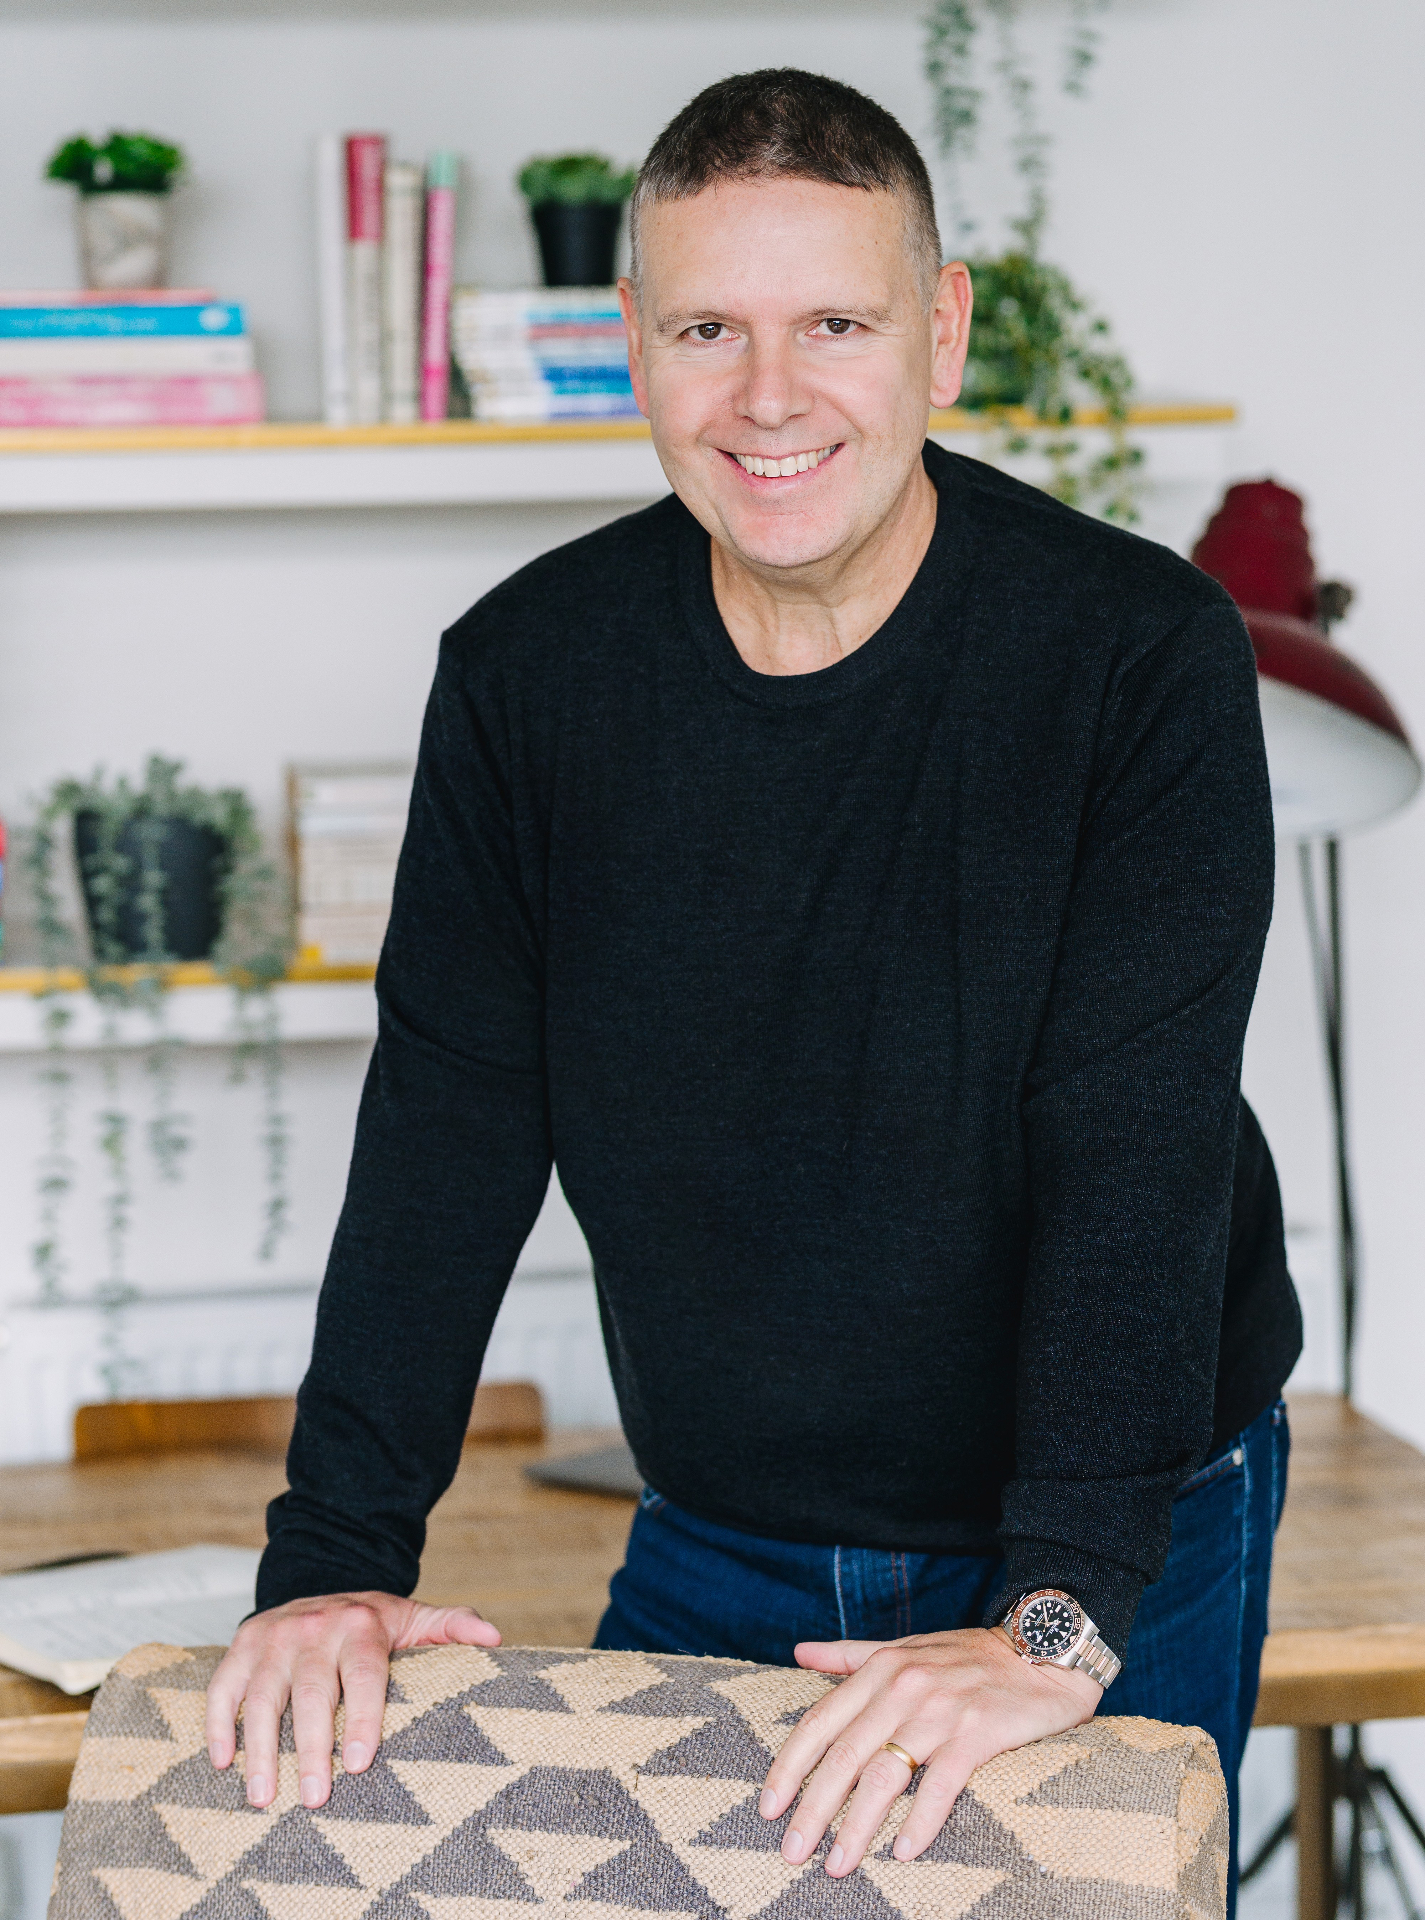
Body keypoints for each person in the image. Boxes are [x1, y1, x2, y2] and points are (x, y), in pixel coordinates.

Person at [207, 68, 1301, 1909]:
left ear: (938, 336)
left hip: (1115, 1519)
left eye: (837, 325)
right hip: (722, 1523)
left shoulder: (1134, 658)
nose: (767, 396)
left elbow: (1137, 1148)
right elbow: (446, 1124)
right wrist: (333, 1557)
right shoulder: (526, 678)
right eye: (707, 325)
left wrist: (1048, 1617)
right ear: (632, 343)